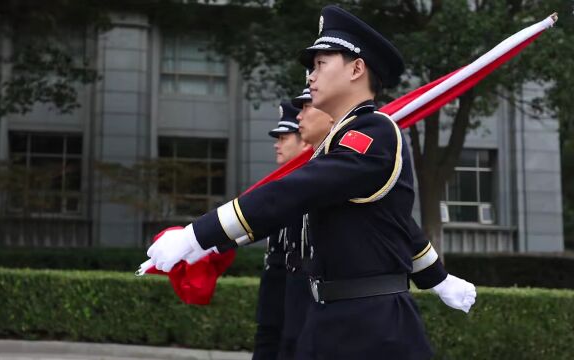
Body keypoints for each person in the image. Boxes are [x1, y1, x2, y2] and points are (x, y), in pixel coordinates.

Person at [147, 5, 476, 358]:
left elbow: (297, 190)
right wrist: (206, 245)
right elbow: (391, 224)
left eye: (320, 64)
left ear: (356, 68)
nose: (310, 77)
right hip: (331, 319)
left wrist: (200, 232)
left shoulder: (373, 131)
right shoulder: (338, 142)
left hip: (370, 327)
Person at [253, 102, 309, 360]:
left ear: (304, 141)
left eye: (284, 137)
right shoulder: (281, 182)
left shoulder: (312, 184)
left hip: (296, 288)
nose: (277, 144)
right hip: (276, 287)